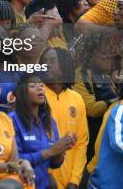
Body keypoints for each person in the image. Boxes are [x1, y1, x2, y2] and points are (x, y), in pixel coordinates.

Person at [9, 73, 70, 189]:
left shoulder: (50, 122)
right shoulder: (12, 120)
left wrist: (61, 149)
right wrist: (50, 151)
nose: (40, 88)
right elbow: (15, 160)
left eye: (41, 85)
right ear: (22, 92)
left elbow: (54, 164)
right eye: (33, 86)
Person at [40, 47, 89, 189]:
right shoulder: (35, 93)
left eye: (52, 61)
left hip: (68, 182)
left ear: (64, 64)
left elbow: (81, 144)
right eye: (44, 61)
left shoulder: (77, 99)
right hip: (41, 180)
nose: (46, 64)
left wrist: (74, 180)